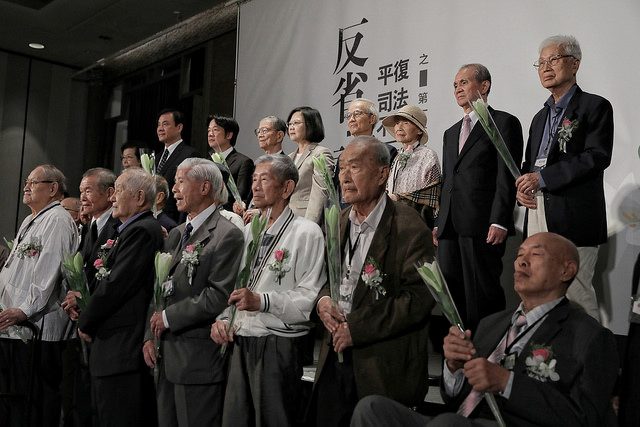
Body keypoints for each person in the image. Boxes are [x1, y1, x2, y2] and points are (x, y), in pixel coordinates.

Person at [351, 232, 618, 427]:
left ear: (566, 270)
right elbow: (453, 398)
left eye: (535, 255)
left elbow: (586, 417)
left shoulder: (589, 336)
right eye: (519, 255)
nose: (521, 262)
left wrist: (506, 383)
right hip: (458, 421)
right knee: (372, 409)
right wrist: (453, 370)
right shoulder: (493, 323)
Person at [312, 137, 435, 426]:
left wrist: (358, 328)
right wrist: (323, 299)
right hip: (334, 357)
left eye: (354, 167)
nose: (344, 177)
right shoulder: (338, 220)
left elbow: (418, 299)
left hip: (381, 367)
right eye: (342, 168)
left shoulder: (408, 226)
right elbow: (328, 278)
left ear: (382, 173)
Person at [210, 154, 326, 427]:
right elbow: (235, 286)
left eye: (265, 179)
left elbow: (309, 297)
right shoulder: (250, 230)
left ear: (287, 188)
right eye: (253, 179)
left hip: (278, 344)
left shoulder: (307, 232)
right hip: (241, 339)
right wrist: (224, 319)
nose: (256, 187)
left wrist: (262, 301)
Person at [516, 35, 614, 322]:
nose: (546, 67)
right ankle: (541, 361)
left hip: (573, 212)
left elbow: (596, 156)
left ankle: (593, 365)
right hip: (537, 209)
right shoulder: (538, 117)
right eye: (541, 62)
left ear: (574, 63)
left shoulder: (595, 106)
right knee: (536, 288)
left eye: (553, 60)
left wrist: (543, 178)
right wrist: (522, 186)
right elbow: (529, 164)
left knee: (576, 292)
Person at [143, 158, 244, 427]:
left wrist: (167, 318)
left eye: (180, 181)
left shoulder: (227, 235)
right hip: (164, 355)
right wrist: (148, 336)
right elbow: (158, 291)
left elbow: (218, 294)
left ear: (204, 187)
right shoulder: (176, 234)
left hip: (196, 361)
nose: (174, 189)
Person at [434, 64, 523, 333]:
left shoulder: (504, 122)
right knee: (452, 292)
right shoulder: (450, 133)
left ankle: (488, 351)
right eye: (455, 84)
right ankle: (459, 354)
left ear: (484, 86)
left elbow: (506, 176)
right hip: (450, 225)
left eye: (464, 82)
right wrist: (439, 221)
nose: (458, 88)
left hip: (482, 223)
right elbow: (448, 180)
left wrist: (499, 220)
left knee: (482, 291)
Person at [77, 168, 163, 427]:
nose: (113, 197)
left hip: (122, 348)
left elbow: (116, 284)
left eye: (119, 190)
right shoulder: (126, 229)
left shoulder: (142, 230)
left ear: (139, 197)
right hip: (110, 349)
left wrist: (86, 320)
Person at [0, 165, 79, 427]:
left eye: (33, 182)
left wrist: (24, 309)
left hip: (38, 327)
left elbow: (48, 271)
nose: (26, 187)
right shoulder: (32, 219)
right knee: (18, 398)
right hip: (17, 326)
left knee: (37, 400)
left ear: (53, 188)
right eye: (26, 182)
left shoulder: (57, 220)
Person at [61, 167, 119, 427]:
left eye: (89, 190)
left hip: (106, 328)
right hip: (82, 326)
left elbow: (111, 278)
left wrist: (88, 304)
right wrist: (75, 296)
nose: (83, 196)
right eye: (81, 190)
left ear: (110, 193)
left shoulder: (119, 227)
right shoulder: (88, 228)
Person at [383, 104, 441, 229]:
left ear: (419, 130)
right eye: (397, 123)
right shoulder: (397, 156)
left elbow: (433, 192)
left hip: (417, 222)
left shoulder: (428, 155)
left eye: (406, 123)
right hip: (393, 221)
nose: (399, 127)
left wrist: (399, 198)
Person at [287, 106, 335, 224]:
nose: (291, 127)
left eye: (296, 123)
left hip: (304, 219)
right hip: (286, 220)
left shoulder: (320, 153)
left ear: (311, 125)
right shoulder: (288, 158)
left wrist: (309, 225)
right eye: (290, 123)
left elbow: (320, 193)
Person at [156, 109, 200, 223]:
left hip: (174, 220)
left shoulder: (190, 154)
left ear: (179, 127)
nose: (160, 129)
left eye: (165, 124)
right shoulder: (156, 157)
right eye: (159, 125)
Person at [206, 115, 254, 211]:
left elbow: (240, 196)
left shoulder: (243, 162)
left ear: (229, 135)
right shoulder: (205, 162)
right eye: (209, 130)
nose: (210, 134)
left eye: (215, 130)